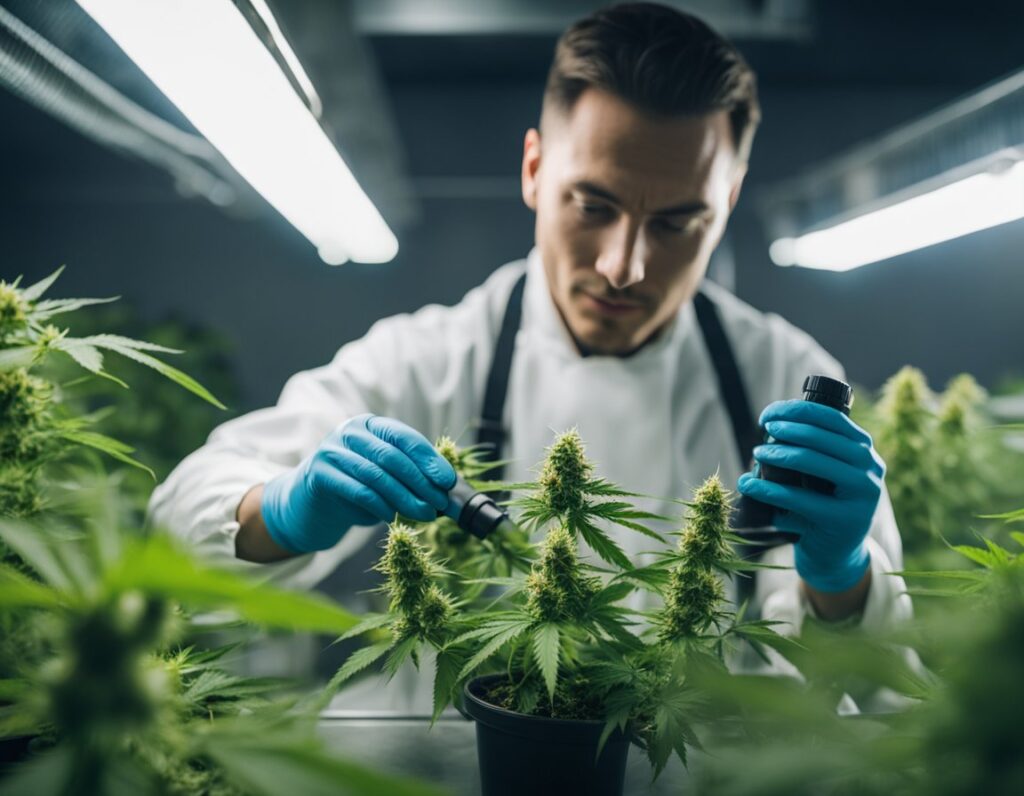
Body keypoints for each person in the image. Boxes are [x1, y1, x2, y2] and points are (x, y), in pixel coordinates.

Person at [149, 2, 909, 666]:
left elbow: (873, 675)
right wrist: (284, 508)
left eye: (678, 222)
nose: (623, 267)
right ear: (535, 171)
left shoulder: (782, 371)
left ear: (730, 197)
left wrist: (841, 574)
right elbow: (184, 515)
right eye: (593, 205)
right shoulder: (429, 360)